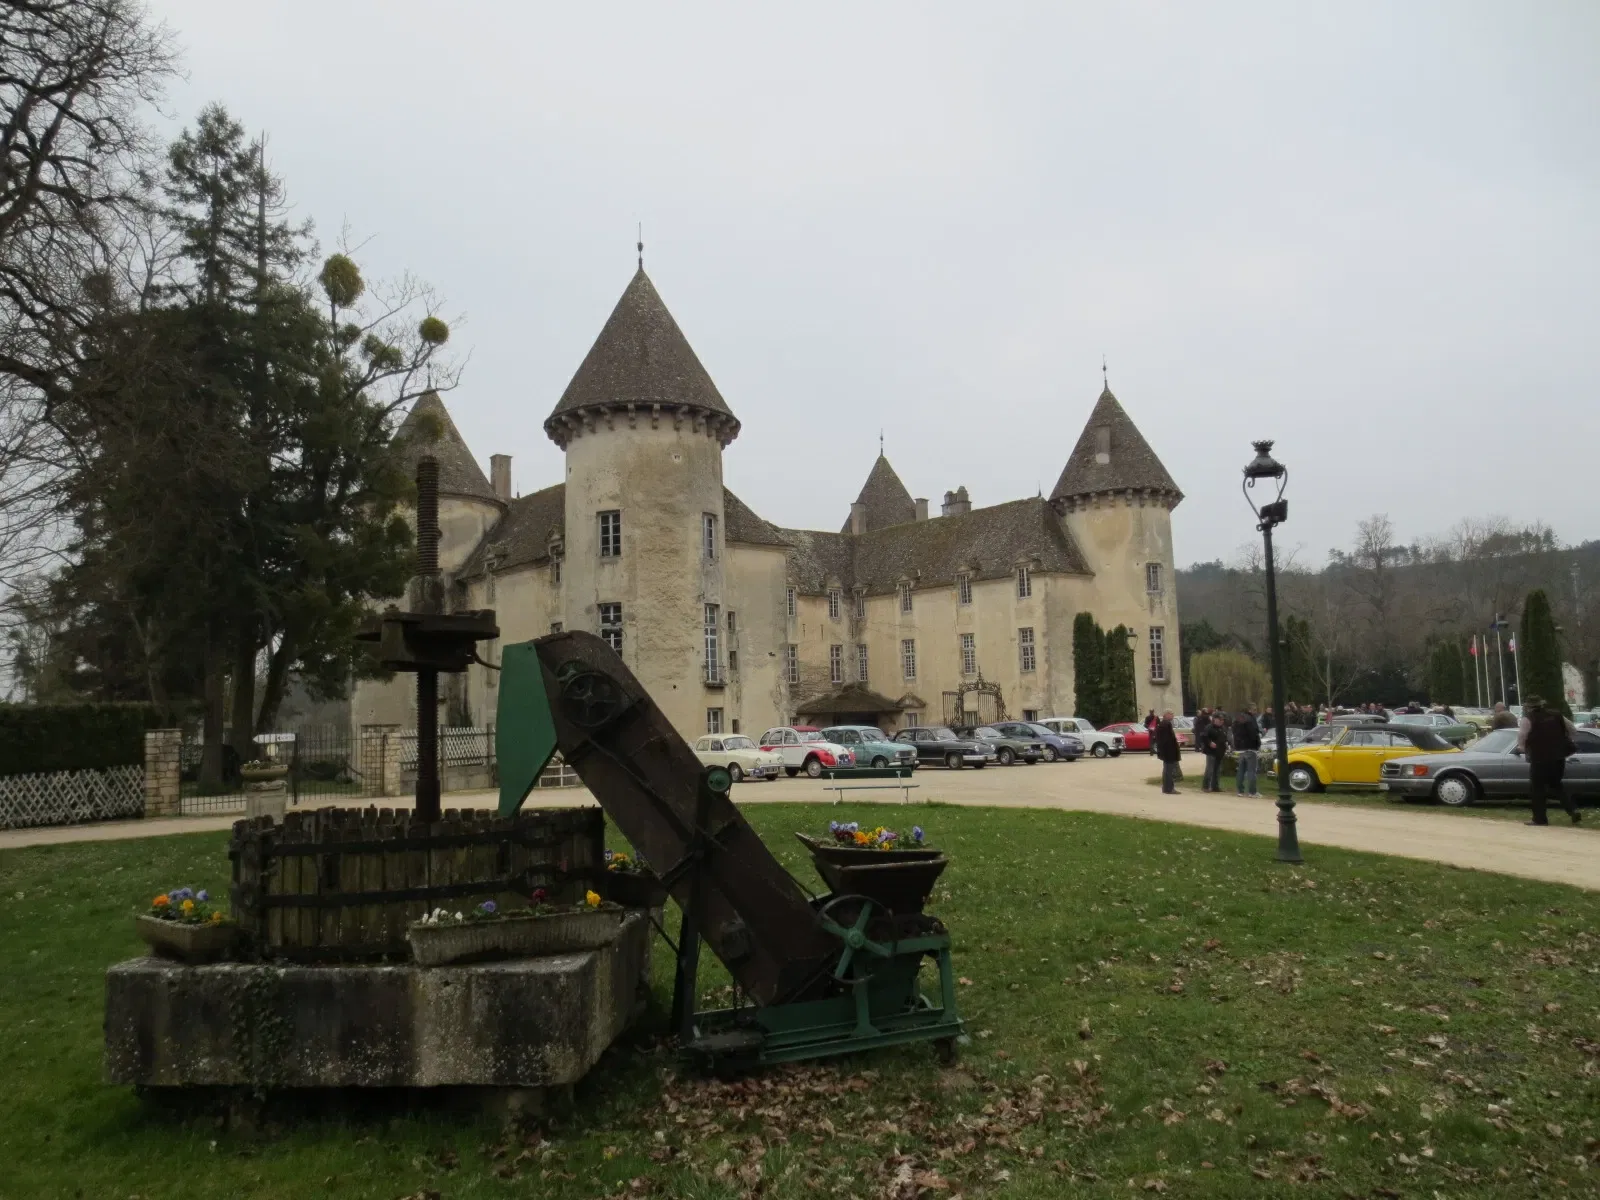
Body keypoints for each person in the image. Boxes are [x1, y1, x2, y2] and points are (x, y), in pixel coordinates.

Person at [1518, 696, 1581, 826]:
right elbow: (1573, 730)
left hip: (1539, 758)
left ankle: (1540, 819)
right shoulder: (1557, 715)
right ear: (1542, 704)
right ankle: (1573, 810)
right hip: (1558, 757)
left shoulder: (1527, 719)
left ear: (1528, 706)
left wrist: (1522, 749)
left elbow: (1522, 737)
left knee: (1537, 789)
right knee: (1557, 785)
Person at [1232, 706, 1262, 797]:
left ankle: (1240, 791)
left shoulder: (1237, 719)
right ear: (1249, 710)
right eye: (1254, 710)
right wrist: (1257, 744)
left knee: (1241, 770)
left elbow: (1234, 732)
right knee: (1251, 770)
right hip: (1250, 747)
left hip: (1240, 748)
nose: (1256, 712)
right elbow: (1254, 733)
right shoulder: (1250, 719)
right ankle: (1252, 792)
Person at [1199, 713, 1228, 793]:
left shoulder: (1222, 728)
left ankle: (1215, 786)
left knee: (1217, 770)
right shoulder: (1209, 727)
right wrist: (1209, 743)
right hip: (1211, 751)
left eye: (1222, 720)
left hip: (1220, 751)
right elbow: (1203, 737)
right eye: (1220, 720)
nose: (1221, 721)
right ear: (1215, 719)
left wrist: (1227, 744)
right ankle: (1205, 786)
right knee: (1210, 769)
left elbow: (1225, 738)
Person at [1155, 710, 1182, 793]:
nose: (1172, 716)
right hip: (1168, 752)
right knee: (1169, 771)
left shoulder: (1163, 724)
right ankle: (1169, 788)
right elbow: (1167, 740)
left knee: (1167, 770)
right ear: (1166, 715)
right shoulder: (1166, 724)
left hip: (1166, 751)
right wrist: (1173, 748)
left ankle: (1166, 787)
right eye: (1171, 714)